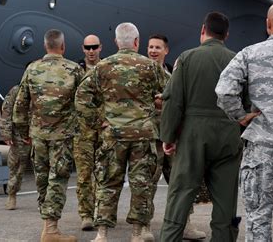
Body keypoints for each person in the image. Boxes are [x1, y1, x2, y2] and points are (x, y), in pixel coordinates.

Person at [75, 22, 166, 242]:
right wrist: (156, 107)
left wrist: (99, 121)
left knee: (108, 183)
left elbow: (82, 98)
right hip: (142, 135)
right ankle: (137, 233)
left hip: (112, 135)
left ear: (116, 42)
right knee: (140, 183)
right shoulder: (150, 66)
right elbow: (170, 92)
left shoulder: (103, 66)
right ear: (137, 42)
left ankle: (102, 233)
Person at [159, 12, 243, 241]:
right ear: (226, 34)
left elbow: (173, 101)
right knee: (226, 201)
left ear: (202, 30)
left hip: (193, 134)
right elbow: (245, 105)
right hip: (228, 134)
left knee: (181, 195)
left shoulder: (186, 58)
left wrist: (167, 136)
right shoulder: (237, 60)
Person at [216, 1, 273, 242]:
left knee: (258, 216)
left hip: (262, 143)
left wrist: (240, 117)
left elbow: (225, 91)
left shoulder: (249, 54)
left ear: (268, 24)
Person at [13, 29, 84, 242]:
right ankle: (51, 229)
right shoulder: (73, 70)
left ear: (45, 46)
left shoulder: (33, 69)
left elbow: (20, 103)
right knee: (58, 179)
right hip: (62, 136)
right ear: (62, 47)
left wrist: (23, 131)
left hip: (38, 135)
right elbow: (85, 102)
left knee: (42, 179)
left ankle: (48, 226)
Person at [146, 34, 207, 241]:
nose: (153, 51)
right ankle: (144, 226)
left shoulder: (175, 74)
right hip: (151, 137)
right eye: (150, 47)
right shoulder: (141, 73)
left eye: (157, 47)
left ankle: (185, 224)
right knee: (147, 183)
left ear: (166, 51)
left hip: (173, 136)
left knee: (180, 182)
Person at [74, 34, 102, 231]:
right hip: (81, 131)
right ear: (83, 49)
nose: (91, 51)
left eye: (94, 47)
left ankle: (102, 212)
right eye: (87, 47)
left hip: (103, 131)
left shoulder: (107, 69)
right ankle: (86, 214)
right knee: (84, 175)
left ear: (100, 47)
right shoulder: (76, 71)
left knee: (104, 174)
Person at [1, 84, 32, 210]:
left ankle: (45, 199)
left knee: (45, 167)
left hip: (41, 131)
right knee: (17, 166)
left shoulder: (45, 88)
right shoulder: (16, 90)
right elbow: (7, 110)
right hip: (19, 133)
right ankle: (11, 194)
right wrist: (6, 134)